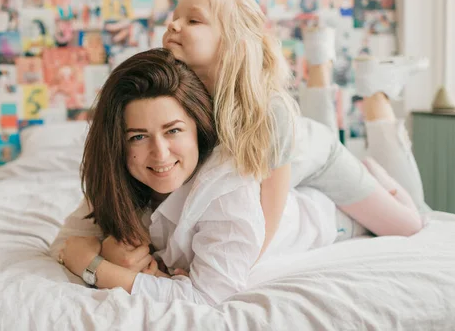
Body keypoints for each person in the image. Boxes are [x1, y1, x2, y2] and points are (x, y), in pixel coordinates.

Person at [53, 47, 427, 306]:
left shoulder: (223, 193)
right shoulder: (121, 180)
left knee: (415, 214)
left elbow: (204, 298)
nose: (160, 154)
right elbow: (66, 241)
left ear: (198, 128)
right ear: (117, 145)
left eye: (173, 131)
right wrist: (99, 250)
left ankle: (377, 97)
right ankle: (327, 68)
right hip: (299, 158)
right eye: (138, 137)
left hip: (329, 212)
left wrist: (98, 267)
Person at [160, 0, 424, 257]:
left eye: (193, 20)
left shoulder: (270, 110)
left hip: (321, 159)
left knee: (411, 224)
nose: (174, 25)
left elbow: (271, 207)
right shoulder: (178, 98)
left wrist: (246, 259)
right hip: (300, 151)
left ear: (232, 42)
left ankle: (377, 176)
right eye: (175, 17)